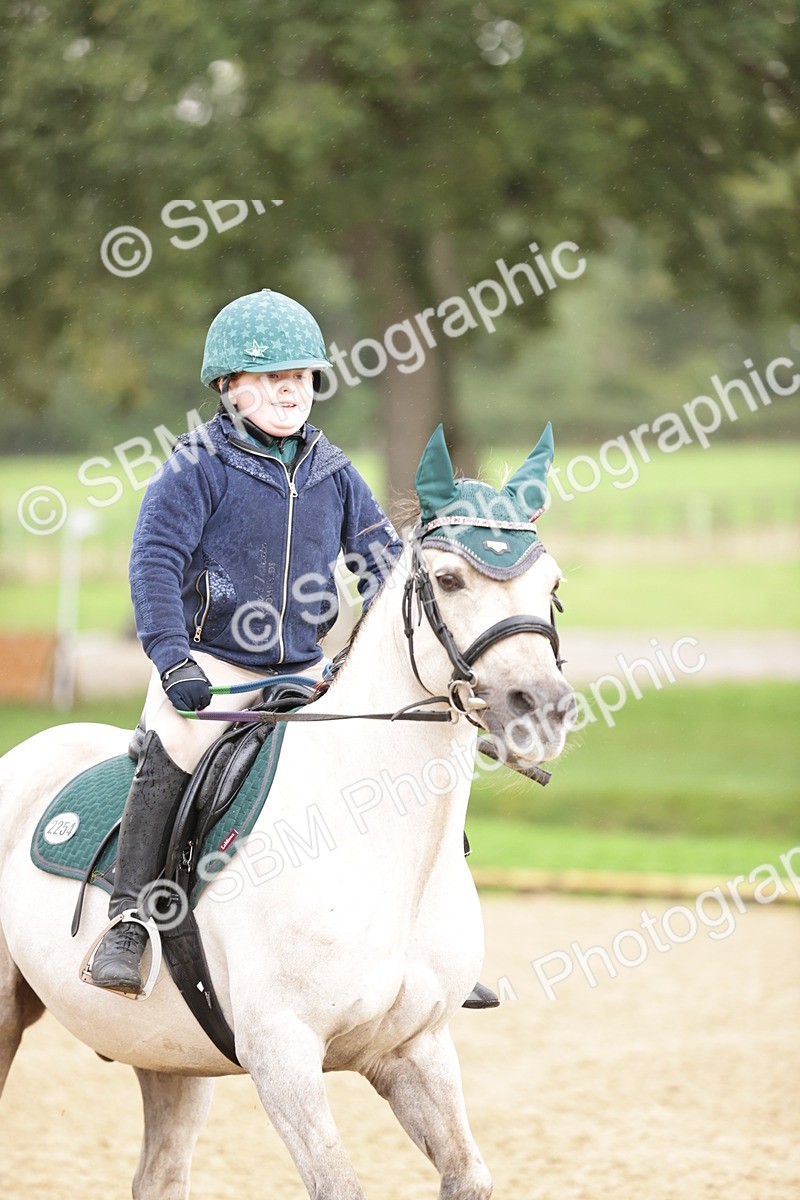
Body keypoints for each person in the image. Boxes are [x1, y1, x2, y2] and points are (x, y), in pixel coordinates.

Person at [88, 287, 498, 1011]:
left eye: (301, 377)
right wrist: (172, 657)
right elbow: (152, 564)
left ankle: (427, 938)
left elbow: (380, 565)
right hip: (212, 668)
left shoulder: (331, 470)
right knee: (171, 754)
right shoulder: (194, 466)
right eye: (271, 377)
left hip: (307, 668)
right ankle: (128, 922)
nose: (289, 390)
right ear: (228, 387)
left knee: (417, 760)